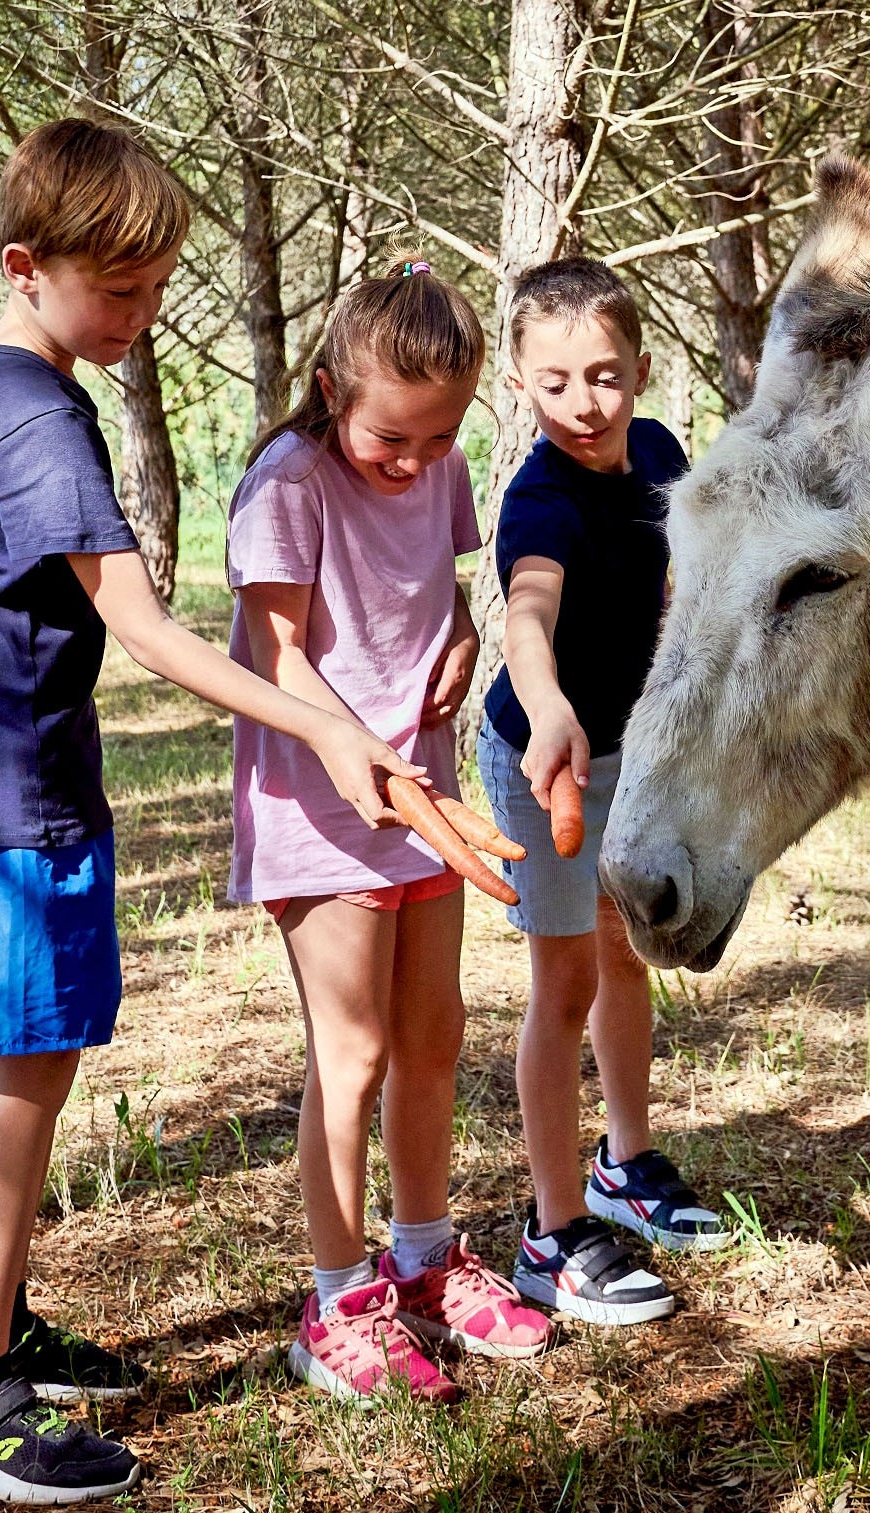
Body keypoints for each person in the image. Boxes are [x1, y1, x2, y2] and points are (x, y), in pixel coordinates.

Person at [0, 118, 423, 1503]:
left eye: (157, 289)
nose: (142, 318)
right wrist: (326, 721)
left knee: (21, 1075)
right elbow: (146, 630)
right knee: (22, 1088)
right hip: (14, 802)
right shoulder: (35, 410)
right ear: (28, 265)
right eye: (122, 291)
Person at [229, 260, 550, 1403]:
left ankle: (423, 1259)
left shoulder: (441, 463)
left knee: (430, 1034)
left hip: (423, 790)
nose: (414, 463)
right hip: (322, 800)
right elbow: (276, 653)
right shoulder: (288, 480)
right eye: (390, 442)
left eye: (438, 437)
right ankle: (336, 1297)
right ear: (329, 388)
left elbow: (441, 593)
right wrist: (343, 745)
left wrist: (462, 638)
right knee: (351, 1049)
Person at [481, 257, 731, 1327]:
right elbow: (526, 615)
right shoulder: (538, 499)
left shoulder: (663, 452)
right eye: (554, 382)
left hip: (631, 748)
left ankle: (624, 1163)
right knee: (565, 981)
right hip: (546, 757)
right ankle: (551, 1228)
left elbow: (686, 574)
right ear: (518, 384)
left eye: (604, 375)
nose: (584, 404)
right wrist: (547, 709)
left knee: (631, 954)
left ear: (637, 367)